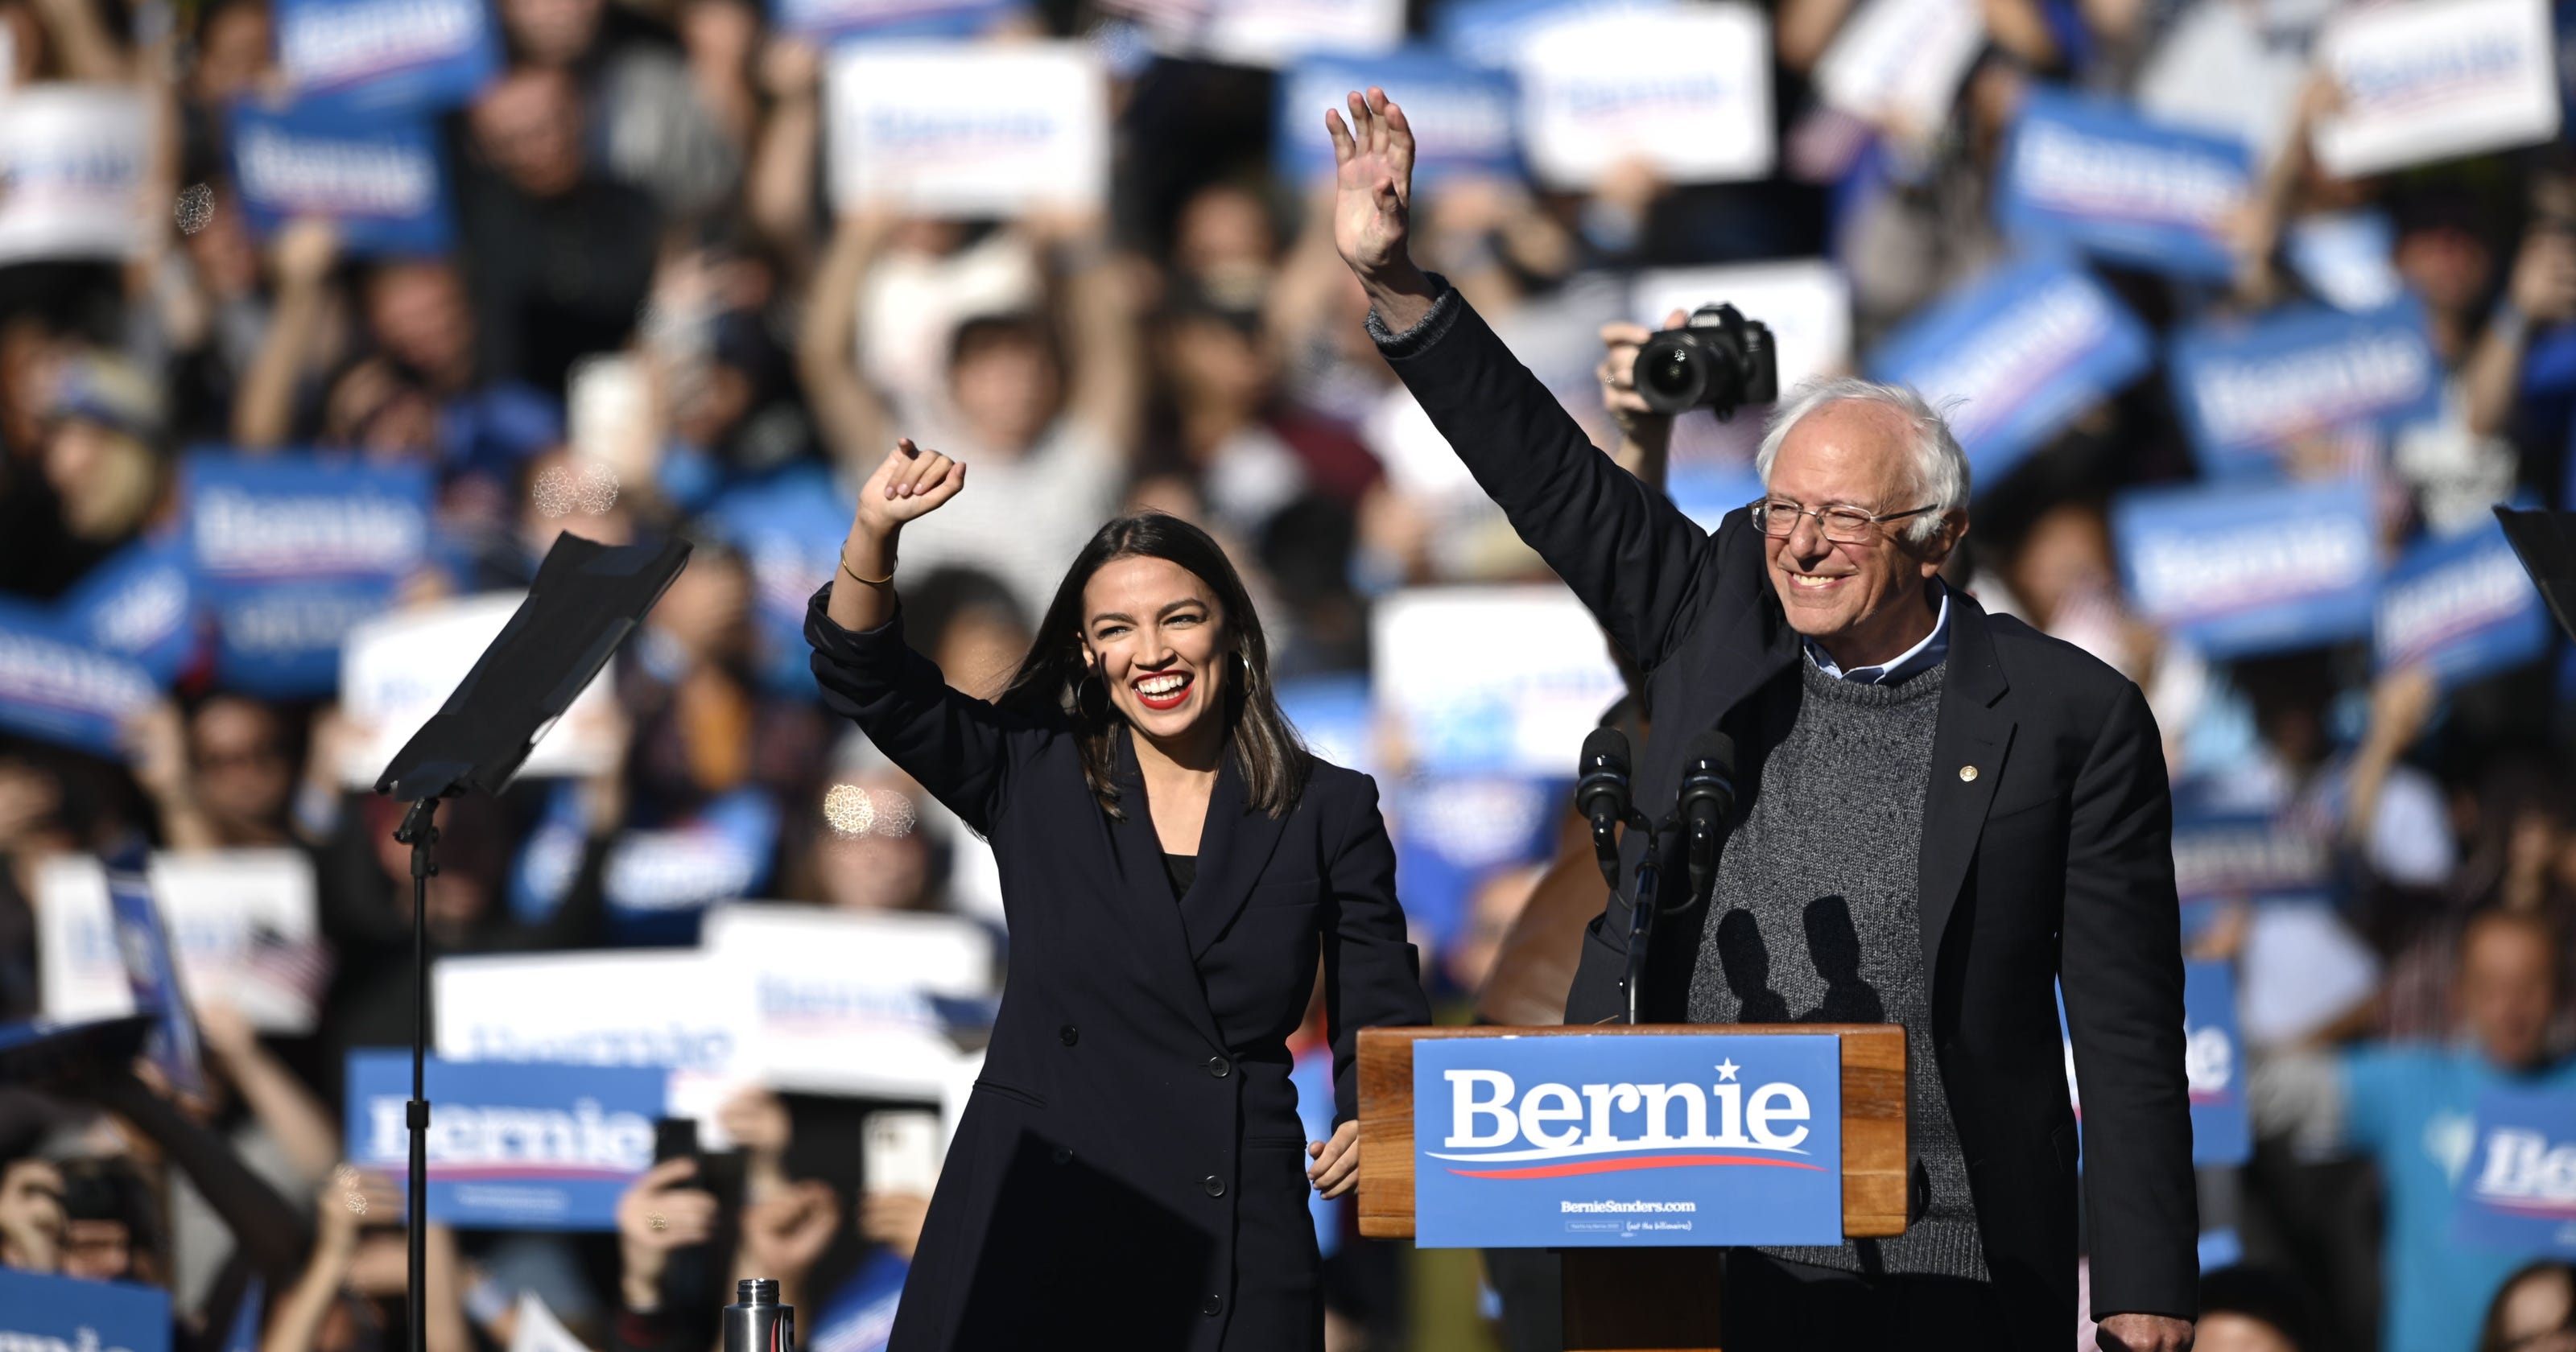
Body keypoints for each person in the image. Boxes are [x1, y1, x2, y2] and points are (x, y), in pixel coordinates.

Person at [1323, 88, 2196, 1352]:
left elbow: (2122, 1018)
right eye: (1784, 509)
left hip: (1954, 1241)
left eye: (1845, 520)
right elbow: (1545, 476)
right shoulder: (1716, 610)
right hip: (1708, 1235)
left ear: (1940, 540)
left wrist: (2145, 1277)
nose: (1801, 544)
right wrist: (1400, 281)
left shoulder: (2071, 713)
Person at [804, 438, 1429, 1350]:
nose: (1153, 654)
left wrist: (1380, 1123)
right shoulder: (1030, 769)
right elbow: (864, 674)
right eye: (1116, 631)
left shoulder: (1327, 805)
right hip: (1043, 1207)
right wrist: (874, 534)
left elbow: (1380, 996)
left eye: (1178, 619)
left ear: (1232, 631)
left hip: (1233, 1218)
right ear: (1086, 653)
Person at [2255, 908, 2576, 1352]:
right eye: (2491, 986)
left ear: (2561, 991)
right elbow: (2263, 1094)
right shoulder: (2414, 1082)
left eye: (2529, 985)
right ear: (2458, 993)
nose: (2511, 1006)